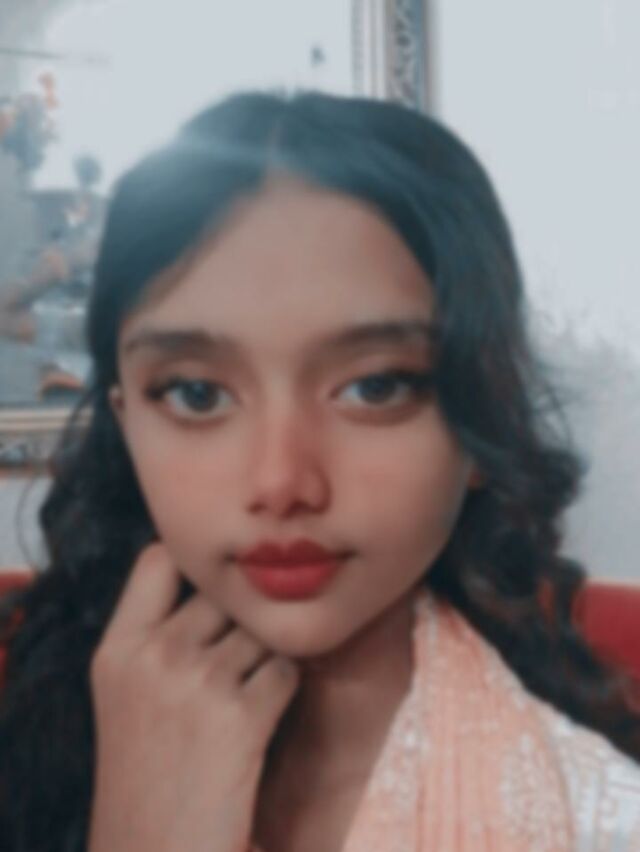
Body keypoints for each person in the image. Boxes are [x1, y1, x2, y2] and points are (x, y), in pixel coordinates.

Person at [0, 90, 639, 852]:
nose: (282, 484)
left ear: (481, 421)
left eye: (376, 387)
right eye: (197, 394)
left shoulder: (601, 821)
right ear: (127, 419)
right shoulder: (37, 741)